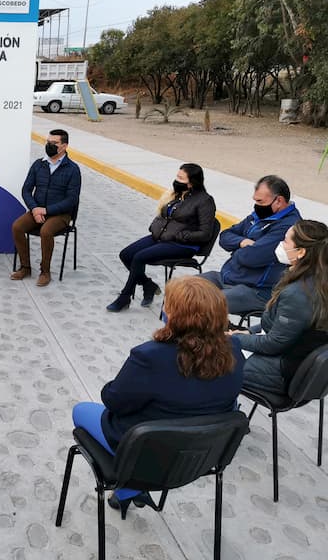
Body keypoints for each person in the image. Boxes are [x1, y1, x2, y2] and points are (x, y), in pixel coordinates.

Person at [72, 276, 245, 517]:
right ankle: (127, 492)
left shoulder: (150, 357)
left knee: (80, 410)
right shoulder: (234, 349)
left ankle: (130, 487)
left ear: (173, 315)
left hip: (144, 448)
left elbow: (114, 401)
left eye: (167, 304)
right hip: (201, 455)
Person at [229, 220, 328, 395]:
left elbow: (274, 343)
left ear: (301, 252)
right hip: (293, 359)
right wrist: (247, 333)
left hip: (281, 371)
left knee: (207, 361)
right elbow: (283, 328)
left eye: (285, 241)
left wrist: (235, 339)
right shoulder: (316, 280)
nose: (280, 245)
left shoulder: (298, 293)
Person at [107, 163, 216, 312]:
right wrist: (155, 227)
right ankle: (148, 285)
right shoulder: (178, 194)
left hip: (183, 245)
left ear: (192, 182)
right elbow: (164, 215)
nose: (176, 180)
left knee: (139, 257)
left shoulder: (205, 201)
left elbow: (205, 233)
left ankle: (125, 297)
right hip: (162, 237)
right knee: (126, 255)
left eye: (180, 178)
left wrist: (181, 236)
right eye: (177, 176)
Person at [201, 175, 301, 315]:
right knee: (181, 290)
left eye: (260, 201)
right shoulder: (260, 215)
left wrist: (237, 249)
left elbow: (251, 257)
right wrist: (242, 242)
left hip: (256, 290)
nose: (256, 206)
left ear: (278, 201)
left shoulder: (288, 227)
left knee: (199, 306)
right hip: (228, 277)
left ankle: (223, 334)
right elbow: (225, 236)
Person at [11, 128, 81, 287]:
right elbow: (26, 190)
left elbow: (71, 200)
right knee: (17, 227)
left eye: (54, 143)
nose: (49, 145)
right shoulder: (39, 165)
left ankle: (45, 271)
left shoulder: (72, 169)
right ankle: (25, 267)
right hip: (37, 210)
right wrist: (35, 209)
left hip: (60, 214)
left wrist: (47, 211)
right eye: (48, 142)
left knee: (46, 231)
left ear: (64, 146)